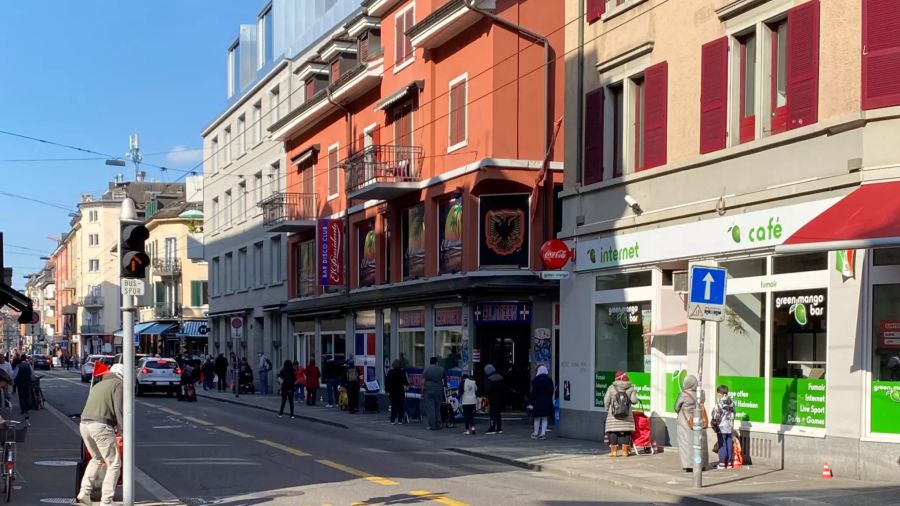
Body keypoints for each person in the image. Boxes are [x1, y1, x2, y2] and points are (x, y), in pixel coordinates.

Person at [76, 363, 124, 506]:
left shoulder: (98, 384)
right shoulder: (118, 384)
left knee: (96, 458)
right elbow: (119, 409)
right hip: (101, 425)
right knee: (114, 463)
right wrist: (122, 429)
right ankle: (106, 501)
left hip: (84, 424)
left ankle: (84, 492)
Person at [675, 374, 708, 471]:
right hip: (699, 420)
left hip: (686, 423)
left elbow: (676, 407)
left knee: (687, 444)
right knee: (700, 442)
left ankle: (689, 465)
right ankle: (701, 463)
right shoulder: (701, 393)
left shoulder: (684, 394)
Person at [603, 371, 639, 456]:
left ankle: (614, 452)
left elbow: (606, 399)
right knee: (626, 432)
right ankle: (625, 451)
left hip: (614, 415)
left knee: (613, 432)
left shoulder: (612, 387)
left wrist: (607, 408)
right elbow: (634, 401)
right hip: (627, 414)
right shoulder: (630, 388)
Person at [711, 385, 736, 469]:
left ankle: (722, 462)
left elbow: (716, 415)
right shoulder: (732, 403)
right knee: (729, 443)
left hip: (721, 427)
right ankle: (729, 462)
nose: (717, 395)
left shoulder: (719, 404)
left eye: (717, 393)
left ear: (720, 393)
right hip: (729, 426)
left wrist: (714, 422)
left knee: (722, 444)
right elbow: (734, 414)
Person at [530, 366, 555, 440]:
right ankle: (543, 433)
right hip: (547, 400)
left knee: (537, 418)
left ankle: (535, 433)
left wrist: (531, 401)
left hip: (538, 400)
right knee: (544, 418)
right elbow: (551, 391)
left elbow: (533, 392)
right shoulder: (549, 380)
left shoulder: (535, 380)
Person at [423, 356, 446, 430]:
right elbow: (445, 380)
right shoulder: (441, 369)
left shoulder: (426, 369)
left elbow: (423, 381)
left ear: (430, 362)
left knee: (431, 409)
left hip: (429, 390)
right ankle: (438, 424)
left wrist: (422, 391)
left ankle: (432, 425)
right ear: (436, 362)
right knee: (437, 408)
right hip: (439, 390)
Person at [484, 364, 505, 434]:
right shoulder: (500, 377)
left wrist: (486, 395)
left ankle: (492, 428)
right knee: (498, 413)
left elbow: (488, 389)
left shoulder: (490, 378)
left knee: (492, 414)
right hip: (500, 398)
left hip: (493, 398)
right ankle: (499, 428)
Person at [385, 360, 409, 424]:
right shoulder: (402, 372)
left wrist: (386, 390)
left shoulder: (390, 372)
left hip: (392, 391)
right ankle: (400, 420)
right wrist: (408, 384)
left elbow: (387, 382)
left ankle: (392, 420)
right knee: (401, 406)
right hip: (400, 391)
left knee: (393, 406)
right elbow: (405, 382)